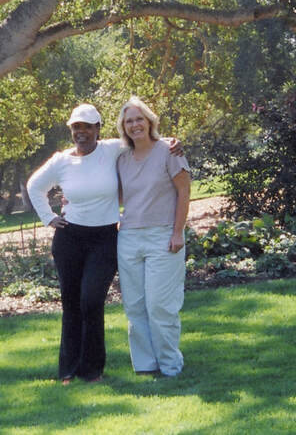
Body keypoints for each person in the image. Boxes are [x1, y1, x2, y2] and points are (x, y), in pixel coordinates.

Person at [27, 103, 180, 384]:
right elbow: (34, 185)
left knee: (92, 300)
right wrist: (49, 218)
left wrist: (171, 142)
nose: (81, 132)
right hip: (69, 238)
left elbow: (145, 139)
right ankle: (69, 370)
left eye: (87, 126)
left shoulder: (112, 149)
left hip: (105, 239)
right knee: (71, 304)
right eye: (76, 127)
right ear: (71, 130)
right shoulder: (61, 160)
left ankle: (92, 369)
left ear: (98, 129)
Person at [115, 96, 190, 377]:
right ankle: (146, 366)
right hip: (129, 238)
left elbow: (184, 191)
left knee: (160, 305)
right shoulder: (121, 158)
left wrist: (177, 232)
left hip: (163, 236)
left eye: (139, 119)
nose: (135, 125)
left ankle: (170, 365)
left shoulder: (169, 150)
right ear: (124, 127)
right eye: (129, 121)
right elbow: (111, 192)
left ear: (150, 121)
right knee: (134, 306)